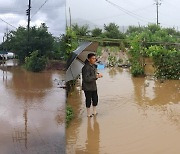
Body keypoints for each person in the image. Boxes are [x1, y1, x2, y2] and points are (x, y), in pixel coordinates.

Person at [82, 53, 103, 117]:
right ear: (89, 59)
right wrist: (96, 76)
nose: (94, 59)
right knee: (88, 99)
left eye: (95, 58)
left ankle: (94, 112)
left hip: (93, 86)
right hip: (87, 87)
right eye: (93, 58)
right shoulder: (86, 67)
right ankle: (88, 114)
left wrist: (98, 74)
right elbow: (86, 79)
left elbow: (94, 73)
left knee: (95, 99)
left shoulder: (93, 66)